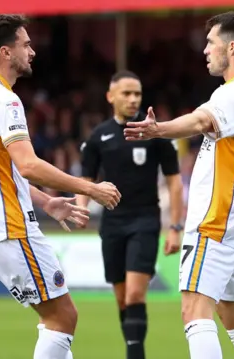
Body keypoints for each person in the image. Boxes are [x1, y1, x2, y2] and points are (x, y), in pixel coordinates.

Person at [0, 14, 121, 359]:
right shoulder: (5, 101)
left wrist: (46, 202)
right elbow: (28, 165)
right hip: (10, 226)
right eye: (25, 44)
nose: (32, 51)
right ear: (6, 52)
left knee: (54, 318)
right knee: (62, 316)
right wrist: (89, 188)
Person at [124, 11, 234, 359]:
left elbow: (201, 119)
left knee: (194, 312)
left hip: (216, 223)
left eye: (211, 42)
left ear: (232, 47)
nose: (205, 50)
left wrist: (158, 129)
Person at [77, 70, 184, 359]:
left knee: (136, 294)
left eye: (137, 93)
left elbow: (175, 183)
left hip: (145, 221)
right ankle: (133, 349)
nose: (133, 98)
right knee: (123, 299)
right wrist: (80, 208)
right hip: (112, 224)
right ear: (111, 97)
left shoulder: (156, 135)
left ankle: (135, 355)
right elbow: (85, 180)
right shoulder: (99, 136)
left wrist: (175, 226)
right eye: (126, 93)